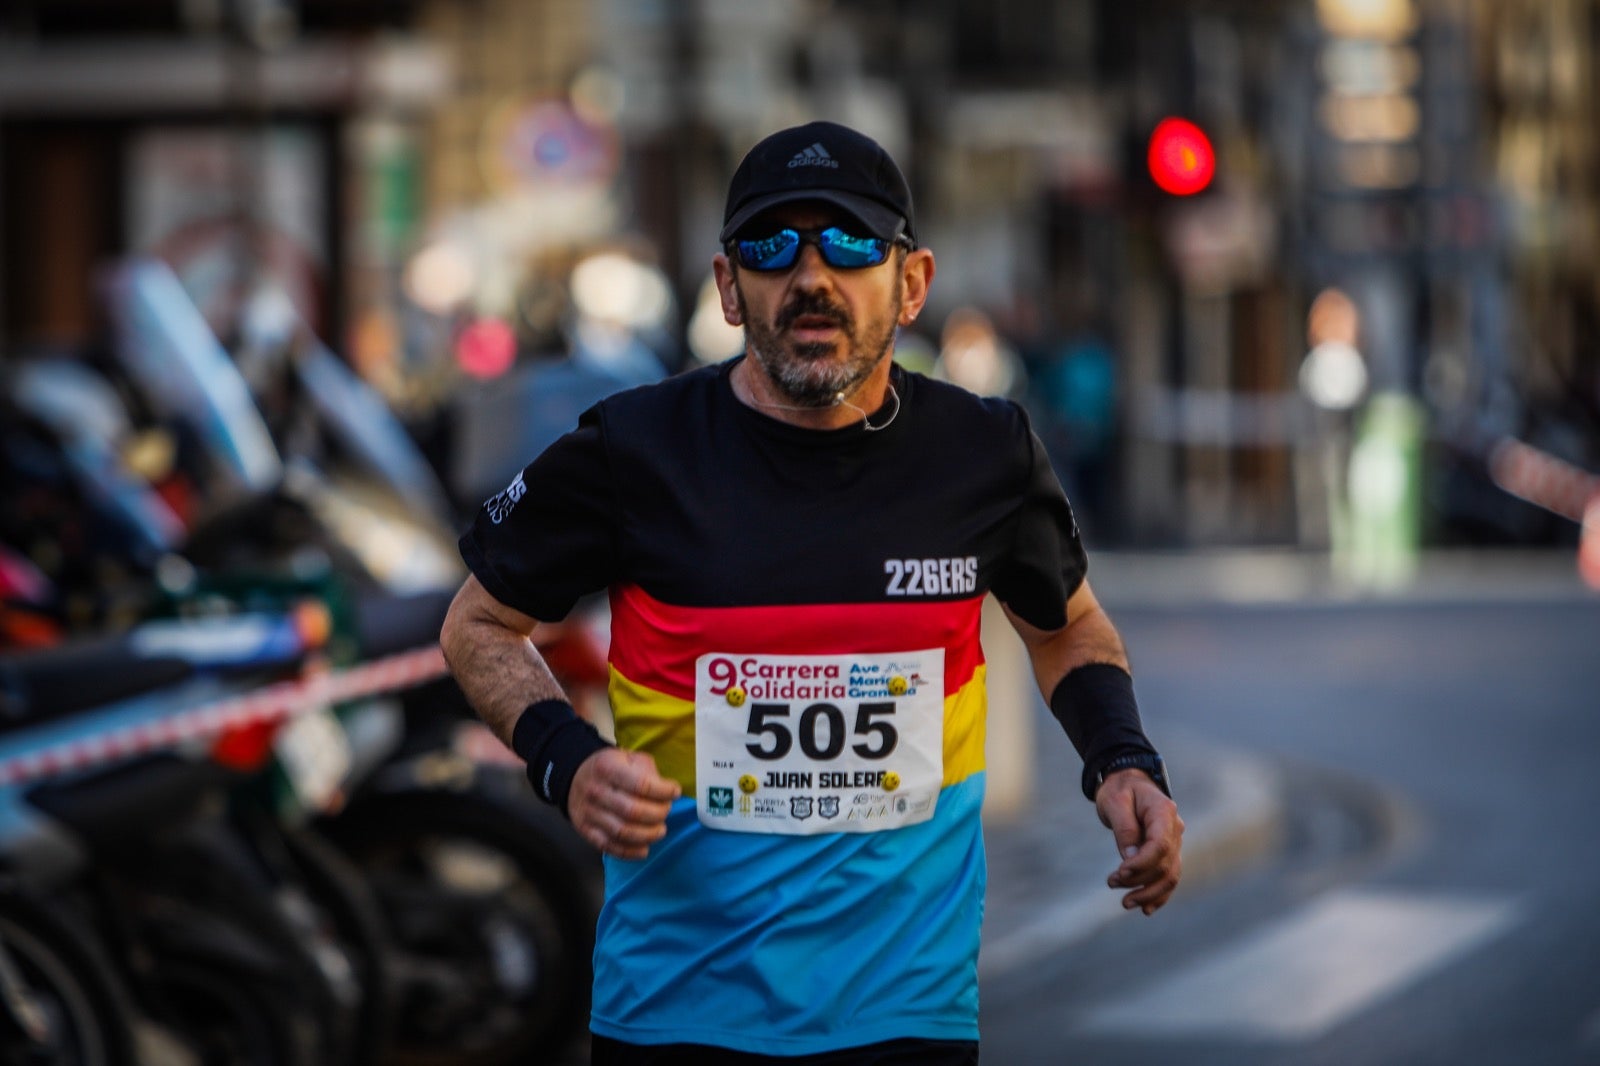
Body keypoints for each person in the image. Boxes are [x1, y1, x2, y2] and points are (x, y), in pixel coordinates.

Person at [440, 120, 1183, 1065]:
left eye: (850, 242)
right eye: (771, 246)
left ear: (912, 282)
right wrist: (568, 761)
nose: (810, 275)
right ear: (728, 287)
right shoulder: (633, 451)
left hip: (906, 1017)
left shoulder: (983, 453)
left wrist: (1123, 761)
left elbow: (1067, 630)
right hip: (675, 1011)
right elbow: (477, 623)